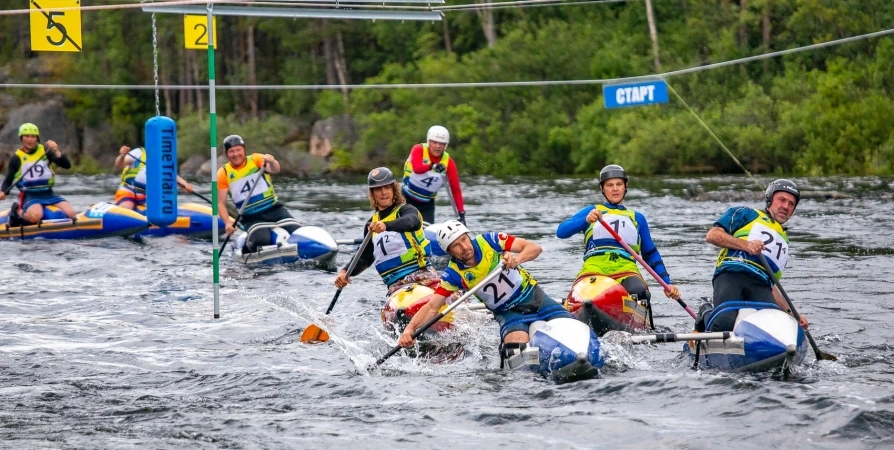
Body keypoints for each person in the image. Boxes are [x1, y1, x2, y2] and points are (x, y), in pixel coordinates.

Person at [398, 220, 575, 359]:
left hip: (536, 298)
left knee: (573, 326)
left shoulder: (490, 241)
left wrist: (517, 259)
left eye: (464, 239)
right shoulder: (453, 274)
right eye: (456, 245)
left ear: (468, 236)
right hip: (509, 314)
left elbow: (534, 248)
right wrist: (409, 330)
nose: (464, 247)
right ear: (450, 252)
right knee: (518, 350)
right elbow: (432, 307)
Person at [556, 164, 681, 306]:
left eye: (619, 184)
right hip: (594, 270)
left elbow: (651, 254)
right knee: (585, 297)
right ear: (602, 188)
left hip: (626, 271)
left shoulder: (637, 218)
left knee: (640, 292)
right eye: (609, 185)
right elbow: (561, 232)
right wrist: (584, 220)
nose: (615, 189)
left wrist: (667, 283)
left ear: (625, 187)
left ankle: (635, 316)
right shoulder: (592, 211)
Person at [696, 179, 809, 332]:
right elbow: (712, 235)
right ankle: (706, 311)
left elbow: (772, 285)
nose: (785, 207)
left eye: (791, 204)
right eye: (781, 200)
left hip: (760, 285)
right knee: (724, 324)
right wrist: (746, 245)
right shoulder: (746, 214)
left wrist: (792, 314)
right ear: (770, 200)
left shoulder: (784, 240)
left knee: (775, 328)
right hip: (731, 275)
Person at [334, 167, 440, 293]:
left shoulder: (406, 210)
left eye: (387, 187)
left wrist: (386, 226)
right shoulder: (371, 225)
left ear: (394, 189)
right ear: (372, 194)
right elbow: (364, 258)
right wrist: (345, 272)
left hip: (423, 276)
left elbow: (411, 221)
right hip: (396, 286)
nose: (383, 192)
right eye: (378, 189)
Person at [216, 135, 298, 251]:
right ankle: (247, 247)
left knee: (297, 231)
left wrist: (272, 161)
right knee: (262, 240)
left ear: (244, 149)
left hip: (275, 209)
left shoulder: (256, 159)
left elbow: (275, 169)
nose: (235, 154)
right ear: (226, 154)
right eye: (231, 151)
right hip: (251, 216)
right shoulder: (223, 173)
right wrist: (227, 223)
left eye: (238, 150)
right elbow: (220, 203)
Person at [0, 123, 77, 225]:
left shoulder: (45, 151)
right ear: (21, 138)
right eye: (27, 136)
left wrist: (56, 151)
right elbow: (8, 180)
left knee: (72, 214)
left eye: (33, 136)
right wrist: (3, 192)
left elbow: (66, 165)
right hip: (29, 195)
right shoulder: (16, 158)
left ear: (37, 138)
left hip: (48, 193)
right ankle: (17, 211)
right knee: (36, 216)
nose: (30, 140)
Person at [401, 125, 466, 225]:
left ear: (446, 145)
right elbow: (417, 168)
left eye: (441, 143)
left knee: (426, 233)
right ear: (428, 142)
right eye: (434, 142)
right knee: (407, 227)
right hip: (406, 198)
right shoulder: (418, 149)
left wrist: (461, 212)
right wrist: (432, 166)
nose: (438, 146)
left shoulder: (449, 162)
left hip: (427, 204)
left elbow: (455, 189)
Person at [113, 145, 194, 210]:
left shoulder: (162, 160)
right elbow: (119, 165)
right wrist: (122, 155)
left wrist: (185, 185)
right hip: (128, 191)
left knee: (159, 210)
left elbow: (172, 176)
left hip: (146, 195)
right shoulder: (138, 153)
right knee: (127, 206)